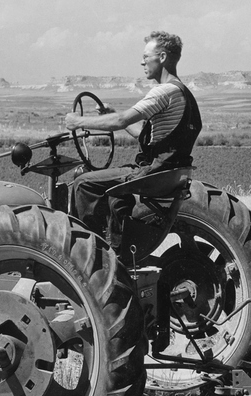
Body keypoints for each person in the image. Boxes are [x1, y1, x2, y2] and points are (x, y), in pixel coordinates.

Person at [64, 31, 201, 252]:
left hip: (154, 172)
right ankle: (119, 250)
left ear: (163, 57)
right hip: (169, 171)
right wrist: (111, 112)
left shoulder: (163, 92)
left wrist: (78, 121)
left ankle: (89, 254)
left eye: (146, 57)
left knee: (84, 183)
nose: (142, 62)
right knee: (116, 196)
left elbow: (121, 120)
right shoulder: (184, 93)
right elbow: (143, 135)